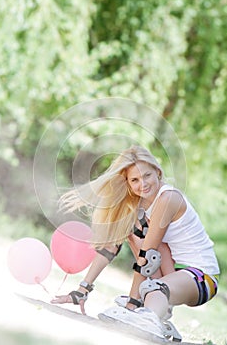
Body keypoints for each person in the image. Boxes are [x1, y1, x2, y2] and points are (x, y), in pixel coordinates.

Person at [51, 145, 220, 341]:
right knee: (132, 229)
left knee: (152, 286)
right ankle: (155, 315)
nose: (143, 184)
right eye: (135, 180)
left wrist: (132, 303)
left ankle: (147, 313)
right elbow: (110, 247)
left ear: (158, 172)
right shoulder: (137, 207)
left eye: (147, 175)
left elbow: (148, 255)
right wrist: (82, 290)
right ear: (128, 184)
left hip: (201, 277)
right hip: (172, 271)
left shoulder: (168, 198)